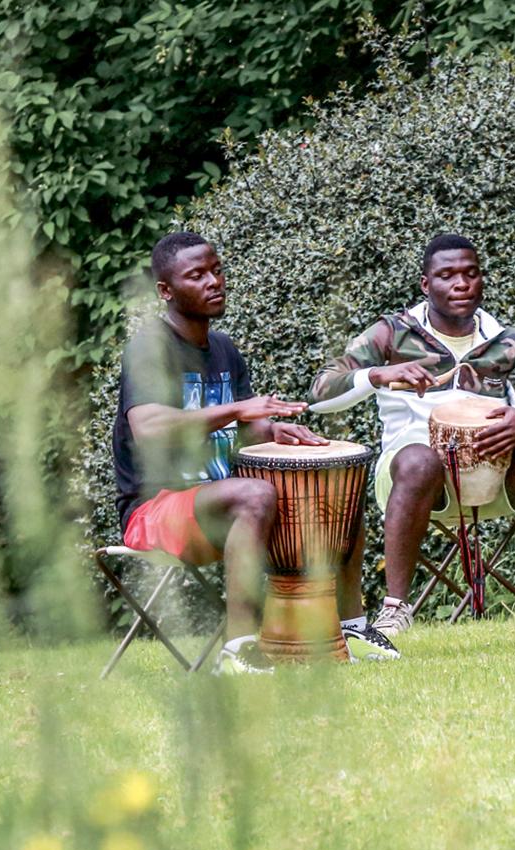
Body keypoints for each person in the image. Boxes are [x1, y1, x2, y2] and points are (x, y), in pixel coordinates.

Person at [113, 231, 399, 673]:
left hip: (223, 503)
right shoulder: (150, 349)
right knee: (254, 494)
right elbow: (147, 427)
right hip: (155, 509)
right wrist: (236, 409)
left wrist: (278, 431)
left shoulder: (224, 349)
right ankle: (239, 649)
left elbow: (247, 435)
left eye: (217, 270)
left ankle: (351, 628)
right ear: (165, 291)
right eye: (197, 275)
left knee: (335, 488)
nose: (214, 282)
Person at [308, 233, 515, 636]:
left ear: (481, 279)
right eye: (447, 276)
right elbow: (320, 392)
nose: (461, 284)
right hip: (416, 480)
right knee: (418, 459)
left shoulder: (506, 340)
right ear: (426, 285)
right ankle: (395, 609)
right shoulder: (393, 333)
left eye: (470, 274)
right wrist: (376, 374)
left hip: (494, 478)